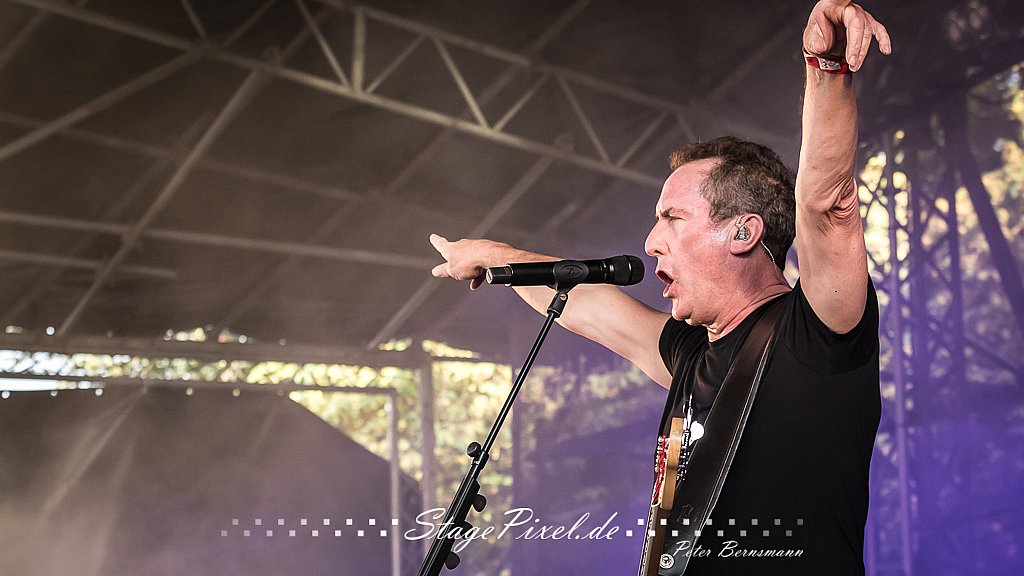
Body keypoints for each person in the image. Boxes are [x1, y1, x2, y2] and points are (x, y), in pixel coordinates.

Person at [429, 1, 891, 574]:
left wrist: (826, 70)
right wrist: (493, 257)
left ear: (742, 232)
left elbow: (825, 206)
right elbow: (585, 304)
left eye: (672, 218)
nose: (650, 242)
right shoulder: (691, 353)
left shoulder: (815, 333)